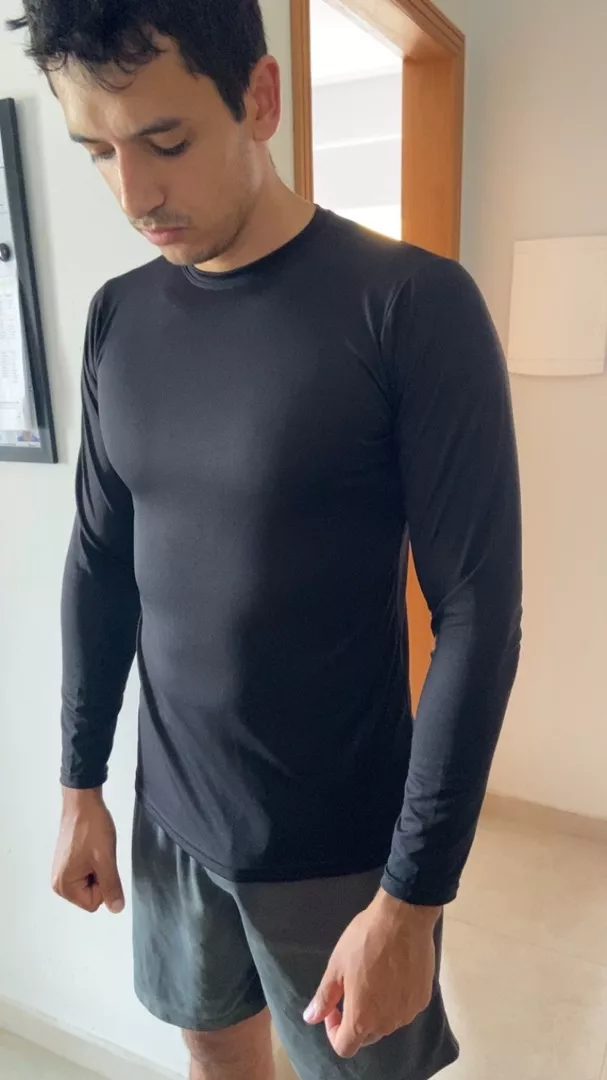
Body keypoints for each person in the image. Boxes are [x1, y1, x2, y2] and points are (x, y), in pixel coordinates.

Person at [10, 2, 522, 1078]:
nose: (132, 193)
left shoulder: (410, 305)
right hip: (172, 818)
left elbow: (479, 614)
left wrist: (412, 900)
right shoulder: (119, 318)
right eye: (97, 150)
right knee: (214, 1056)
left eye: (165, 141)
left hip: (340, 851)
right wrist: (79, 785)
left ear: (260, 98)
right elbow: (101, 561)